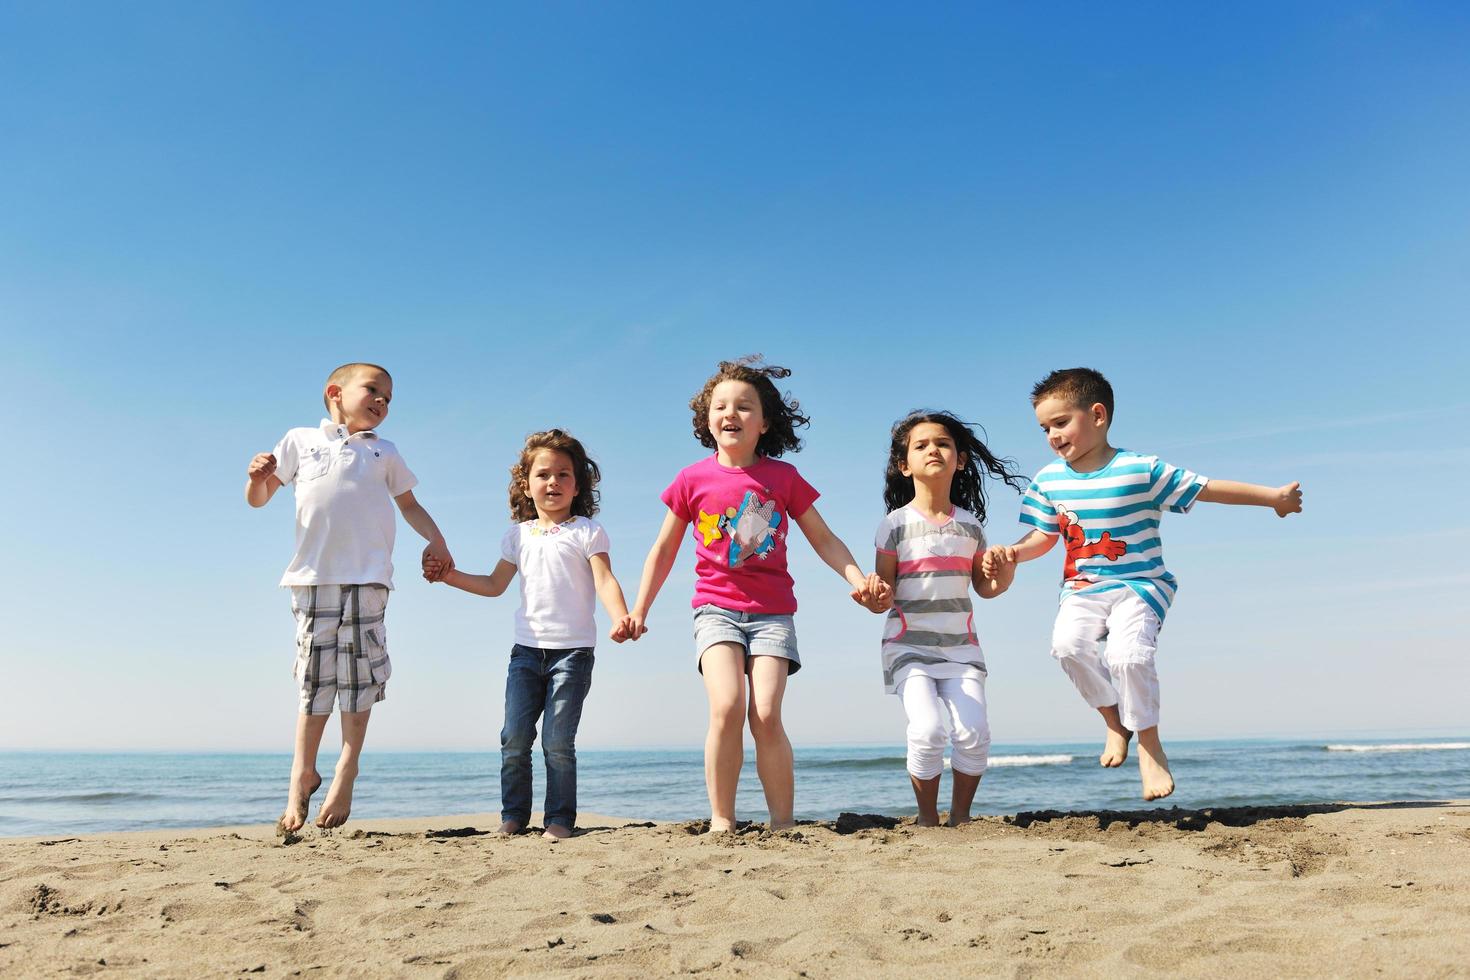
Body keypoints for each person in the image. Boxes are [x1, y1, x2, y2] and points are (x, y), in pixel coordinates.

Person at [985, 367, 1303, 800]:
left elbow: (1208, 488)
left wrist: (1274, 499)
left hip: (1141, 585)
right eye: (1045, 428)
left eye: (1061, 422)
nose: (1052, 436)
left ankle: (1149, 745)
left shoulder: (1139, 470)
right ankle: (1115, 721)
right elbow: (1043, 536)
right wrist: (1012, 553)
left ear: (1097, 415)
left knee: (1128, 656)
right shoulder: (1048, 480)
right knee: (1067, 648)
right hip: (1082, 589)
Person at [626, 356, 889, 832]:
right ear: (707, 420)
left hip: (772, 614)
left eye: (744, 407)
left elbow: (824, 539)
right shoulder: (691, 479)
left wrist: (858, 579)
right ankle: (722, 820)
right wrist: (639, 609)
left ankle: (782, 823)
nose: (731, 413)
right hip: (715, 609)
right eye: (721, 406)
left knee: (765, 713)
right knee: (726, 705)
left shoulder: (783, 479)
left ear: (764, 423)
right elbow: (662, 550)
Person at [246, 362, 454, 832]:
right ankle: (301, 771)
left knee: (358, 676)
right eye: (374, 391)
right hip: (311, 577)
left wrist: (436, 540)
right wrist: (258, 477)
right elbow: (259, 499)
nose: (382, 402)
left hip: (368, 577)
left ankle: (347, 767)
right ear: (335, 392)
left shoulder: (385, 452)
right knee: (314, 678)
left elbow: (410, 505)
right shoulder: (300, 440)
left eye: (389, 398)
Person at [423, 430, 636, 840]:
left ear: (577, 486)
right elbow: (492, 584)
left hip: (572, 653)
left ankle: (559, 820)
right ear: (526, 483)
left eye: (563, 474)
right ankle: (514, 816)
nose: (553, 482)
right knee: (514, 737)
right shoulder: (517, 536)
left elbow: (605, 580)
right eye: (543, 474)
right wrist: (449, 577)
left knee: (558, 741)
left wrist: (621, 616)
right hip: (525, 652)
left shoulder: (588, 532)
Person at [871, 411, 1027, 826]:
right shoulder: (894, 526)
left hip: (961, 649)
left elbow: (984, 587)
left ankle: (960, 818)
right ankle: (926, 819)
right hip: (908, 646)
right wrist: (872, 595)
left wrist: (1005, 576)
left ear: (959, 460)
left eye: (942, 443)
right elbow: (884, 594)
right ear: (905, 466)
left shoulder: (971, 526)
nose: (932, 450)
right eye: (920, 445)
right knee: (927, 731)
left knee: (974, 733)